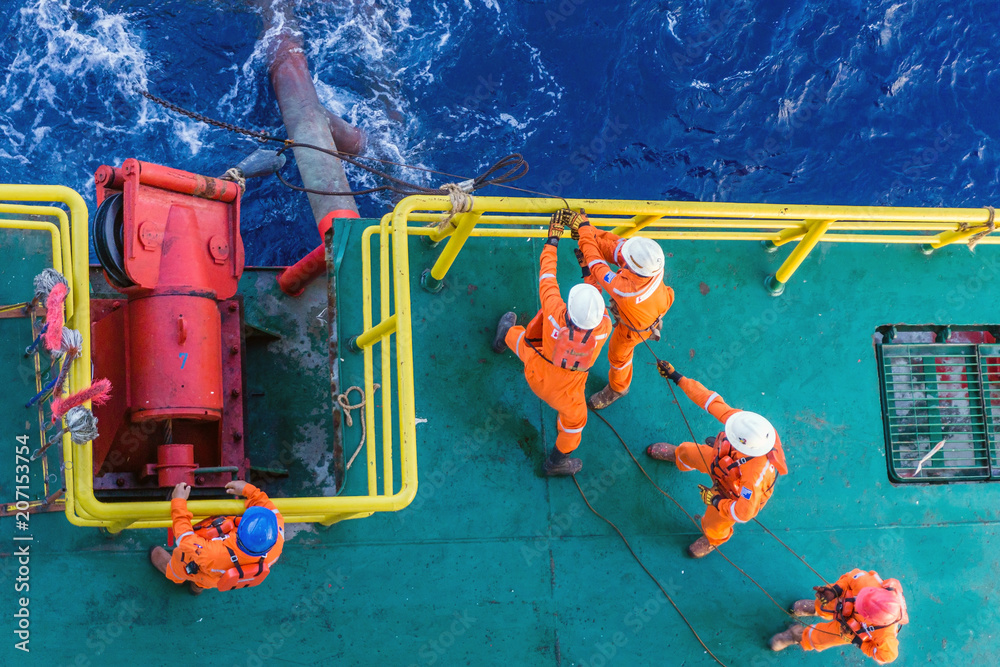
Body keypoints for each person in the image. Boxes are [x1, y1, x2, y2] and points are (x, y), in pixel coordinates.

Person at [492, 210, 612, 476]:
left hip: (535, 368)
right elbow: (598, 297)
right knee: (575, 424)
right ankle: (556, 462)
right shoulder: (604, 327)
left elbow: (547, 275)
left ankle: (502, 339)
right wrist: (587, 269)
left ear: (568, 307)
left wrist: (553, 240)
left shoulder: (555, 311)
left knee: (522, 340)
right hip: (566, 395)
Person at [646, 361, 788, 557]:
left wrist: (717, 501)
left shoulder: (754, 478)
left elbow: (743, 512)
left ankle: (714, 539)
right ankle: (678, 457)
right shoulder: (744, 424)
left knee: (715, 523)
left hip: (732, 491)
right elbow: (710, 400)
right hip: (722, 461)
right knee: (688, 451)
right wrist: (677, 377)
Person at [569, 211, 673, 410]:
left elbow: (595, 263)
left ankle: (619, 388)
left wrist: (584, 232)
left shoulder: (624, 289)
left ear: (634, 268)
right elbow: (616, 248)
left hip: (632, 331)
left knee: (618, 357)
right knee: (612, 245)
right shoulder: (653, 265)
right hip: (659, 302)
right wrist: (589, 232)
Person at [149, 480, 284, 594]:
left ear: (240, 530)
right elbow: (269, 508)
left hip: (197, 566)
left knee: (178, 570)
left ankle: (176, 579)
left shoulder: (212, 553)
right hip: (215, 578)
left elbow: (184, 538)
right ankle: (196, 589)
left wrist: (178, 502)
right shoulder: (277, 535)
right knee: (206, 581)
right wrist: (249, 490)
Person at [769, 568, 908, 664]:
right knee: (825, 602)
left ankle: (796, 635)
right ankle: (816, 609)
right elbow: (849, 579)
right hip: (844, 602)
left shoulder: (885, 636)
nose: (858, 601)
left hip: (850, 631)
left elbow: (886, 656)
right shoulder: (866, 582)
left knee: (820, 638)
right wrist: (834, 590)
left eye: (860, 606)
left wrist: (858, 642)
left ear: (871, 619)